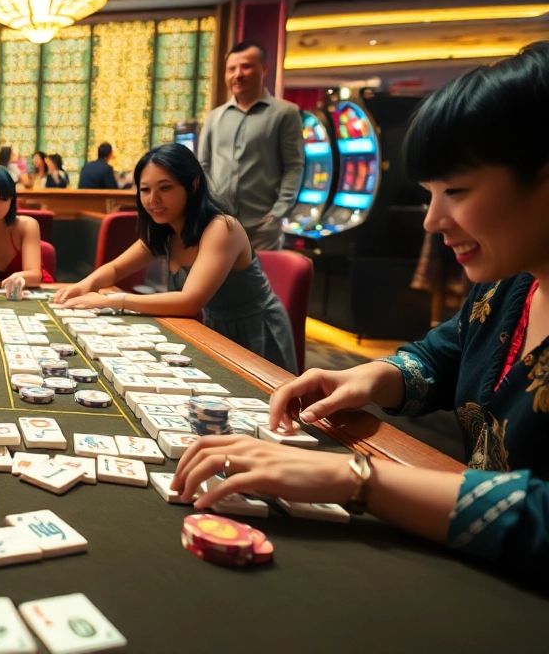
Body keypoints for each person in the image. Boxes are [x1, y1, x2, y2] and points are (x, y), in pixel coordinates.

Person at [174, 42, 549, 594]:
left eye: (458, 192)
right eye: (429, 195)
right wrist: (364, 377)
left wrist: (357, 478)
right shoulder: (512, 284)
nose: (433, 221)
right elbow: (443, 354)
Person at [53, 143, 296, 371]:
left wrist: (111, 301)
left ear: (192, 185)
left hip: (257, 335)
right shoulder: (165, 229)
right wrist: (84, 285)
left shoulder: (222, 227)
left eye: (165, 188)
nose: (153, 200)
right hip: (211, 331)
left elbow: (189, 302)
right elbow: (116, 269)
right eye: (145, 190)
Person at [197, 41, 305, 250]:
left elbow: (294, 166)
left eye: (245, 66)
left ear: (264, 69)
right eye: (231, 69)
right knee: (218, 282)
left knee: (258, 282)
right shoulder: (214, 117)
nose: (238, 74)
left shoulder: (285, 113)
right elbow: (203, 166)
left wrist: (278, 212)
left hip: (261, 226)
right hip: (218, 223)